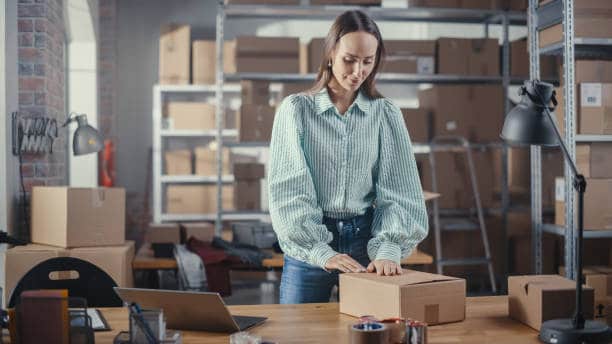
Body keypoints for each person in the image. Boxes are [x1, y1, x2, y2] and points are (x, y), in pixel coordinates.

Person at [268, 10, 428, 304]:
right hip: (310, 246)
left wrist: (390, 248)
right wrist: (319, 250)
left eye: (368, 61)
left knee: (369, 332)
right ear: (330, 53)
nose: (358, 71)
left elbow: (400, 188)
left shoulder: (385, 113)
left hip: (367, 245)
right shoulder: (296, 111)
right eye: (349, 59)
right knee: (296, 334)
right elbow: (289, 189)